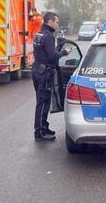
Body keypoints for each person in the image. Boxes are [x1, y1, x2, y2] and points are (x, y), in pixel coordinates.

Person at [32, 12, 71, 141]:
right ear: (50, 22)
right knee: (43, 102)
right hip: (44, 73)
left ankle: (43, 126)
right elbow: (52, 56)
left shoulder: (39, 34)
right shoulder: (48, 36)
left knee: (41, 101)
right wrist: (64, 52)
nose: (57, 24)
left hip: (37, 70)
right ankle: (40, 132)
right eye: (56, 22)